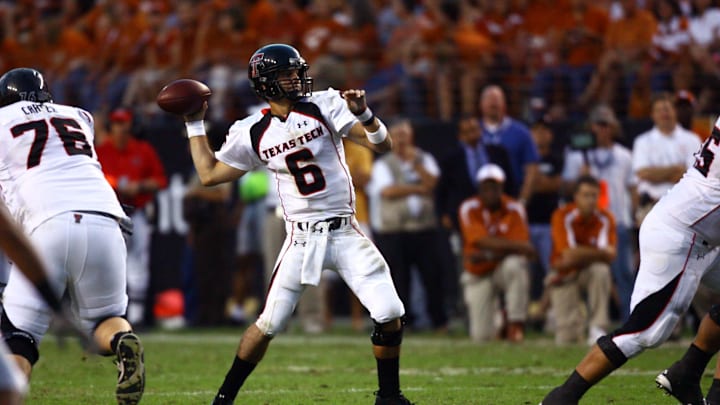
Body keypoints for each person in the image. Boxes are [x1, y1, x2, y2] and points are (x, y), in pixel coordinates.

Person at [178, 44, 412, 405]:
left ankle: (389, 397)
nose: (296, 78)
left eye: (296, 71)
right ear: (267, 84)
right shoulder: (252, 129)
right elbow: (209, 174)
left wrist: (365, 115)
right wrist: (195, 124)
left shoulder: (326, 104)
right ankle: (223, 400)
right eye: (287, 74)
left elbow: (383, 145)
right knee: (268, 325)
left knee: (390, 312)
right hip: (300, 239)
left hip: (345, 231)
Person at [540, 115, 720, 405]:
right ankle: (561, 399)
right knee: (644, 332)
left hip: (700, 233)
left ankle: (689, 376)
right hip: (681, 236)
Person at [0, 68, 144, 404]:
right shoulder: (79, 116)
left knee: (18, 336)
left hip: (45, 223)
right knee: (104, 321)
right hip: (105, 218)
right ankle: (122, 341)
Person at [368, 118, 448, 332]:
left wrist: (415, 165)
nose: (402, 139)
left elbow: (433, 184)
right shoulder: (383, 164)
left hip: (424, 228)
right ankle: (405, 322)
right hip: (395, 230)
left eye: (405, 134)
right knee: (399, 279)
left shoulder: (424, 159)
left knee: (432, 275)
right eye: (398, 134)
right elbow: (387, 191)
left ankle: (439, 321)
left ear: (412, 135)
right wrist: (418, 189)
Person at [562, 104, 636, 323]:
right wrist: (579, 178)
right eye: (598, 125)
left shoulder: (624, 155)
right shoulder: (578, 155)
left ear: (613, 127)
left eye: (606, 125)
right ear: (591, 127)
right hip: (587, 224)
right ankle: (587, 321)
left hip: (617, 222)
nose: (602, 129)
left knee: (623, 275)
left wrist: (633, 218)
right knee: (587, 272)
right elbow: (566, 189)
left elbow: (632, 189)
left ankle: (629, 321)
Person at [95, 107, 168, 326]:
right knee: (107, 264)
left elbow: (160, 181)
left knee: (138, 263)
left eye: (124, 123)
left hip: (136, 213)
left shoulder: (142, 150)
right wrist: (116, 184)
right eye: (117, 123)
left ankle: (136, 318)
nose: (120, 128)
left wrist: (141, 185)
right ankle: (106, 317)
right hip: (110, 215)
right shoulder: (102, 150)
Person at [458, 164, 533, 342]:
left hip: (501, 268)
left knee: (515, 264)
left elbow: (523, 246)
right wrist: (510, 247)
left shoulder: (515, 208)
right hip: (478, 273)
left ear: (502, 188)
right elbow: (480, 241)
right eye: (486, 188)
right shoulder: (469, 207)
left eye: (495, 187)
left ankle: (515, 323)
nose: (490, 192)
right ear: (480, 189)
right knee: (481, 336)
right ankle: (500, 322)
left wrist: (488, 252)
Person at [547, 175, 615, 345]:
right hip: (564, 275)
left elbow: (610, 256)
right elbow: (568, 255)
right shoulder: (562, 215)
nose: (591, 200)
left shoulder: (605, 218)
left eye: (594, 195)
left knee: (601, 270)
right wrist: (598, 253)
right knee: (566, 338)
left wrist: (577, 254)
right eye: (586, 195)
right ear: (575, 197)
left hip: (584, 271)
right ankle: (569, 326)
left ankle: (597, 327)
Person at [632, 93, 700, 226]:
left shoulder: (692, 139)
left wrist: (656, 173)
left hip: (685, 206)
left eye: (667, 109)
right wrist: (676, 169)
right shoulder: (642, 141)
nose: (664, 113)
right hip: (651, 205)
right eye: (659, 110)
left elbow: (695, 175)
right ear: (652, 115)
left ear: (675, 111)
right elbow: (643, 173)